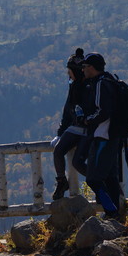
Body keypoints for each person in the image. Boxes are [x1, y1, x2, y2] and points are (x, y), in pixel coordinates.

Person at [80, 52, 124, 220]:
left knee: (93, 178)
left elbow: (103, 111)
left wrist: (87, 120)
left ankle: (111, 210)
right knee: (111, 176)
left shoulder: (99, 84)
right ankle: (115, 214)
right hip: (115, 135)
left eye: (84, 67)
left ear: (91, 68)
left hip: (103, 135)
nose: (83, 70)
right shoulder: (111, 80)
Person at [51, 48, 90, 200]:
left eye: (70, 71)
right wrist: (61, 133)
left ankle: (99, 180)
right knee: (58, 150)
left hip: (87, 128)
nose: (68, 75)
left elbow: (70, 110)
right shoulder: (74, 86)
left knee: (77, 162)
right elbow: (68, 110)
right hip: (77, 127)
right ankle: (62, 181)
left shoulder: (88, 86)